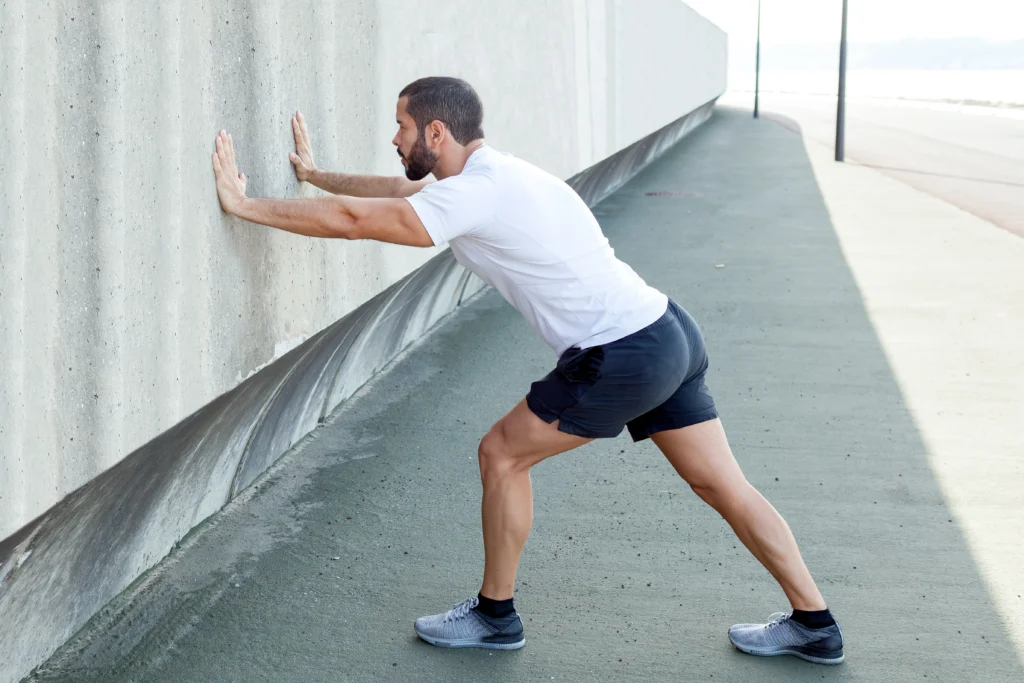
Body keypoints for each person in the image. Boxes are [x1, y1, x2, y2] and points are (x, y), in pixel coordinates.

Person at [211, 76, 845, 665]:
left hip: (619, 352)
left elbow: (357, 224)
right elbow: (395, 192)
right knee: (722, 485)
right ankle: (815, 625)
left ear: (437, 133)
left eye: (401, 126)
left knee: (502, 456)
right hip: (666, 329)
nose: (395, 139)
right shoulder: (498, 176)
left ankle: (495, 615)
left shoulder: (477, 192)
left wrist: (244, 206)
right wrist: (317, 176)